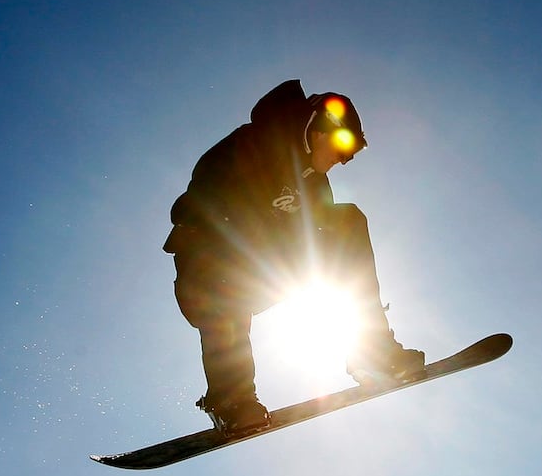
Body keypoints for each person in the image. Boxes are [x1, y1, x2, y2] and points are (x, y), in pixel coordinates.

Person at [162, 79, 424, 434]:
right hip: (209, 275)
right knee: (222, 268)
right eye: (344, 149)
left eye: (352, 156)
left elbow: (327, 247)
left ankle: (372, 354)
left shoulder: (314, 182)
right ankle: (232, 399)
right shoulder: (247, 147)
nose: (343, 161)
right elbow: (195, 210)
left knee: (347, 221)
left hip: (267, 271)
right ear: (318, 130)